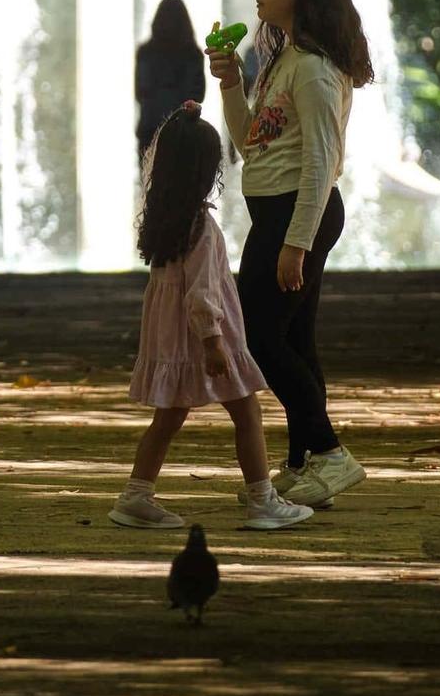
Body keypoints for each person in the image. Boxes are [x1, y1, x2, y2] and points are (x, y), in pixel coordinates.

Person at [210, 0, 374, 510]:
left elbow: (320, 164)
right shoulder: (283, 59)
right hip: (278, 210)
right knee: (296, 340)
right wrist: (230, 82)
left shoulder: (315, 70)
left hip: (297, 213)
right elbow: (249, 141)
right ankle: (307, 464)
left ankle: (330, 454)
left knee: (257, 337)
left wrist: (296, 243)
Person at [110, 104, 313, 532]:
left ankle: (136, 496)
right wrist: (213, 343)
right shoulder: (201, 227)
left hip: (171, 337)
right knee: (247, 412)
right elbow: (202, 295)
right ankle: (262, 500)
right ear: (207, 169)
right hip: (204, 339)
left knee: (167, 418)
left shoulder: (165, 220)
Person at [135, 0, 206, 160]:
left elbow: (140, 92)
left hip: (149, 129)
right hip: (184, 132)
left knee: (150, 182)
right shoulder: (193, 54)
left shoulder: (145, 53)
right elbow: (198, 95)